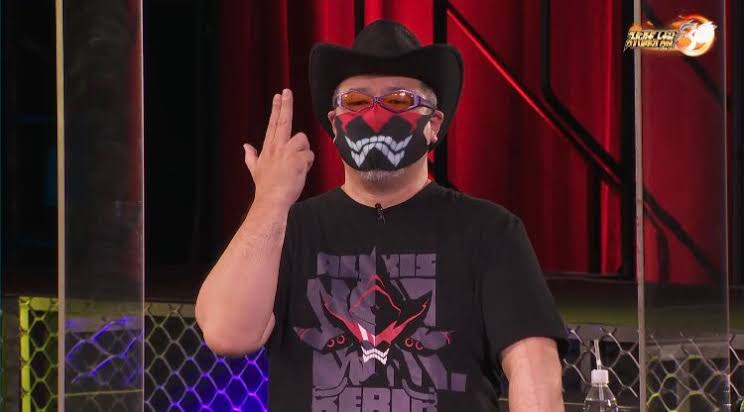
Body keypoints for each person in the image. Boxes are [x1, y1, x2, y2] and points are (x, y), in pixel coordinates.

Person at [196, 19, 568, 412]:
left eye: (399, 101)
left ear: (433, 125)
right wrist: (270, 202)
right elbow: (226, 333)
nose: (375, 116)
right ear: (334, 124)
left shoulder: (490, 231)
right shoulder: (289, 228)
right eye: (356, 102)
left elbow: (535, 372)